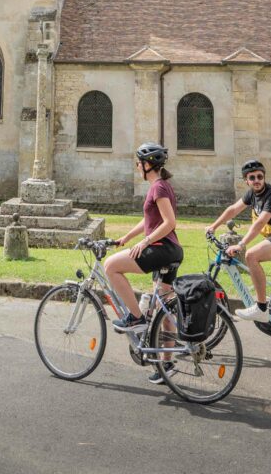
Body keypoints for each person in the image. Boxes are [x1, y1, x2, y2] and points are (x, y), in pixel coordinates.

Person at [205, 159, 271, 358]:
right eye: (252, 178)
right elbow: (233, 210)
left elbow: (260, 223)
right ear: (246, 181)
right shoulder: (252, 194)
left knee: (251, 255)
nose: (257, 180)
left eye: (260, 176)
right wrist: (213, 226)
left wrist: (241, 245)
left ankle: (260, 307)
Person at [103, 142, 184, 382]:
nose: (137, 166)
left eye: (139, 162)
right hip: (173, 252)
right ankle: (166, 366)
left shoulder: (158, 188)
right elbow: (150, 219)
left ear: (148, 165)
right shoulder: (161, 186)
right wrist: (127, 238)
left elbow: (169, 223)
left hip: (161, 249)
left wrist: (145, 242)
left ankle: (136, 318)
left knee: (110, 266)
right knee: (163, 308)